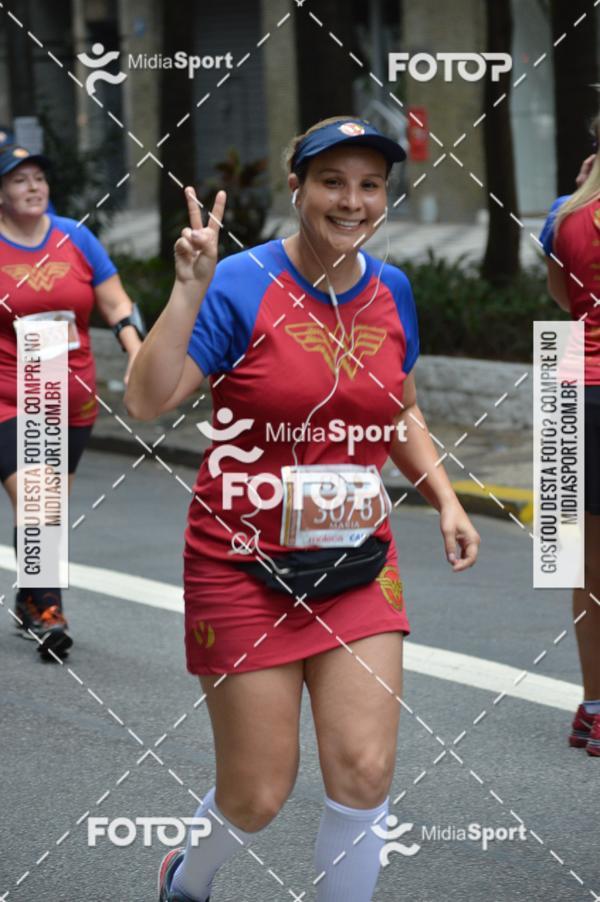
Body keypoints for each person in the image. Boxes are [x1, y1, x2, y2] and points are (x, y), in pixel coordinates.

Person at [125, 116, 480, 902]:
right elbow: (147, 401)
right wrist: (187, 290)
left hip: (357, 562)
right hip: (241, 564)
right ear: (297, 188)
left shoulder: (393, 292)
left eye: (370, 185)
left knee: (364, 770)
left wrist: (446, 498)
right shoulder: (239, 282)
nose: (352, 201)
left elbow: (400, 410)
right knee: (258, 792)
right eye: (332, 182)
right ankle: (187, 879)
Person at [0, 144, 144, 658]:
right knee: (38, 501)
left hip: (71, 395)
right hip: (10, 396)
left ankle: (28, 597)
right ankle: (47, 612)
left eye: (39, 177)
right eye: (19, 180)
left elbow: (116, 302)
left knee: (48, 510)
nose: (34, 187)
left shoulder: (75, 238)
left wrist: (136, 353)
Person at [539, 112, 600, 757]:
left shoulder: (564, 213)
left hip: (569, 383)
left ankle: (593, 707)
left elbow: (565, 299)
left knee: (585, 568)